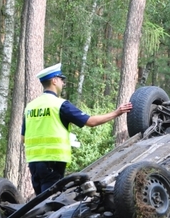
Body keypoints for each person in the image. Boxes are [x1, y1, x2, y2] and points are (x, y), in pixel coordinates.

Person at [22, 63, 133, 194]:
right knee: (49, 203)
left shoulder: (30, 107)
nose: (63, 84)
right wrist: (116, 113)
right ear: (54, 81)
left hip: (33, 162)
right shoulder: (60, 105)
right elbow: (91, 122)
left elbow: (24, 137)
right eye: (61, 80)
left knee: (39, 199)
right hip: (52, 161)